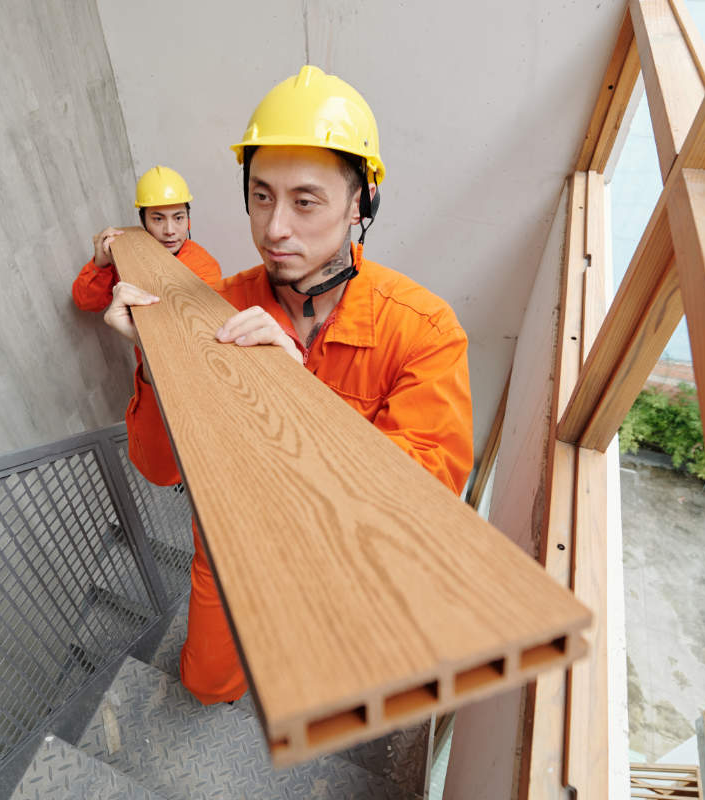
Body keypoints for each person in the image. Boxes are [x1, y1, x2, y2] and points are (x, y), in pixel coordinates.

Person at [102, 66, 473, 705]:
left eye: (305, 201)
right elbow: (159, 469)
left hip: (341, 561)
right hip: (234, 544)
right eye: (262, 195)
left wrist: (299, 399)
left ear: (361, 203)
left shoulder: (422, 330)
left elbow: (423, 509)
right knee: (207, 685)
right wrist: (154, 362)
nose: (275, 229)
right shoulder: (216, 307)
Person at [72, 165, 220, 313]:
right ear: (143, 221)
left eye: (178, 218)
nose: (169, 231)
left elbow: (204, 318)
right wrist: (100, 266)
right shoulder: (124, 254)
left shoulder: (204, 267)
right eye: (158, 219)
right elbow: (85, 303)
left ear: (188, 220)